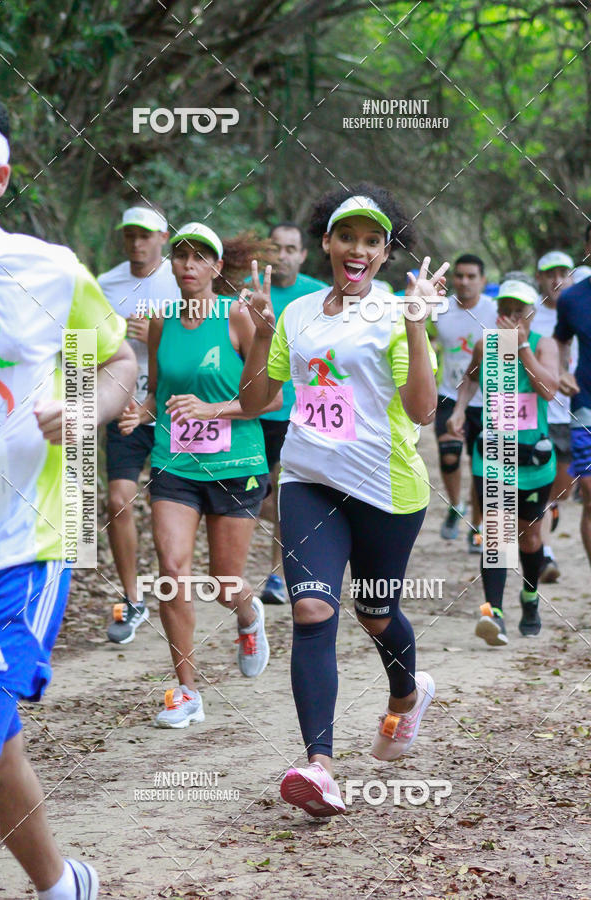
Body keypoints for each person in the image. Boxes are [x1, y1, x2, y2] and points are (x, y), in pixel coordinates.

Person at [239, 184, 447, 818]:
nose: (358, 249)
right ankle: (320, 768)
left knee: (376, 613)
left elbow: (423, 411)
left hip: (386, 488)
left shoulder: (396, 312)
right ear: (326, 242)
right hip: (308, 480)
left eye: (372, 240)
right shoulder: (299, 312)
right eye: (347, 236)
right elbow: (257, 402)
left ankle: (407, 694)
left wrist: (416, 327)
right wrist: (261, 333)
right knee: (309, 610)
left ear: (385, 252)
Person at [0, 95, 136, 898]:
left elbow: (117, 361)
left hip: (25, 542)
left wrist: (83, 410)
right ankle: (61, 884)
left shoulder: (47, 271)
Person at [120, 222, 280, 728]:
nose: (189, 265)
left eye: (200, 257)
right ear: (171, 264)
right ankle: (186, 691)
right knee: (172, 572)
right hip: (175, 463)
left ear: (216, 267)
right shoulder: (162, 322)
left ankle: (248, 615)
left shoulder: (238, 316)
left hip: (236, 464)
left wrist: (213, 409)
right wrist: (140, 413)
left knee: (225, 581)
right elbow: (158, 391)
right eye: (181, 255)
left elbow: (271, 398)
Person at [448, 280, 559, 646]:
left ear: (531, 314)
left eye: (519, 311)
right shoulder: (486, 344)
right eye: (505, 311)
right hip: (494, 454)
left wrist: (522, 347)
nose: (511, 317)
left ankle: (529, 597)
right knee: (496, 533)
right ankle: (493, 613)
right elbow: (470, 378)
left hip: (533, 459)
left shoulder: (543, 344)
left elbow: (549, 390)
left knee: (530, 536)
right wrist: (460, 410)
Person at [98, 203, 179, 644]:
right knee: (118, 500)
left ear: (163, 238)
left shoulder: (181, 279)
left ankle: (177, 591)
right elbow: (84, 346)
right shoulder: (104, 284)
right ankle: (132, 599)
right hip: (126, 406)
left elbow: (203, 340)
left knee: (174, 510)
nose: (136, 243)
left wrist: (158, 337)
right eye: (130, 235)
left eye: (145, 235)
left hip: (175, 408)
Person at [259, 223, 327, 604]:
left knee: (284, 492)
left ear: (302, 254)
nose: (282, 255)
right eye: (276, 248)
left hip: (298, 412)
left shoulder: (319, 295)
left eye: (290, 248)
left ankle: (275, 576)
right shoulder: (248, 290)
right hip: (253, 410)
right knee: (256, 498)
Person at [432, 254, 496, 550]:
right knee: (449, 455)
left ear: (483, 280)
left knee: (481, 467)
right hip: (450, 393)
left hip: (487, 399)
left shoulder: (494, 310)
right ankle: (456, 505)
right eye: (459, 276)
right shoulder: (441, 310)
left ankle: (478, 527)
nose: (464, 281)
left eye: (471, 276)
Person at [533, 251, 575, 582]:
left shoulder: (582, 307)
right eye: (550, 273)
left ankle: (547, 518)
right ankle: (544, 554)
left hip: (577, 413)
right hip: (539, 415)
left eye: (563, 273)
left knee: (563, 491)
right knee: (543, 490)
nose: (557, 279)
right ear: (539, 278)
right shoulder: (529, 313)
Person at [554, 247, 591, 571]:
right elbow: (561, 341)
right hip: (585, 402)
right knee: (589, 493)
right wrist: (562, 370)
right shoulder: (572, 298)